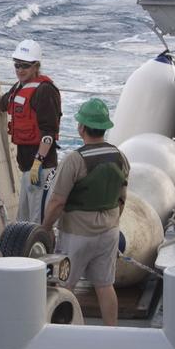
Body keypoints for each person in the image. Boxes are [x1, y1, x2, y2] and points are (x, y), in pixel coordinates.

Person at [40, 98, 128, 327]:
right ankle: (112, 333)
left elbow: (57, 201)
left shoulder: (74, 160)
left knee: (64, 287)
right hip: (109, 231)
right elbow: (122, 197)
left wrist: (45, 228)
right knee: (105, 285)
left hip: (76, 234)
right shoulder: (120, 157)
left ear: (81, 128)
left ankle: (63, 336)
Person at [0, 39, 61, 222]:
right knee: (24, 219)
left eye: (25, 66)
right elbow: (3, 103)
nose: (20, 70)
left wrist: (38, 162)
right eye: (17, 65)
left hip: (42, 168)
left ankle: (40, 249)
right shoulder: (19, 88)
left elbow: (49, 133)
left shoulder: (45, 91)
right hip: (26, 167)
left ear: (36, 66)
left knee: (38, 220)